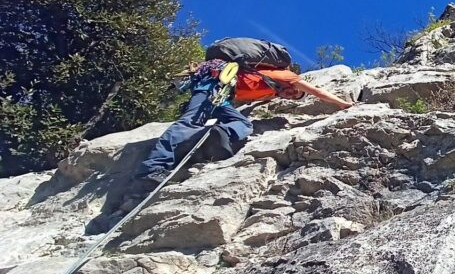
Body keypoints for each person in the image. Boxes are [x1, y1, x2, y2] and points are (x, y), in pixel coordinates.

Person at [134, 59, 353, 187]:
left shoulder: (269, 90)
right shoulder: (287, 76)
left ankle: (218, 136)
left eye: (293, 98)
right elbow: (317, 92)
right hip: (213, 87)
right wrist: (342, 104)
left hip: (223, 96)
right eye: (295, 94)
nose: (290, 95)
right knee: (189, 122)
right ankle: (152, 168)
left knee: (243, 124)